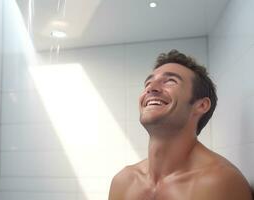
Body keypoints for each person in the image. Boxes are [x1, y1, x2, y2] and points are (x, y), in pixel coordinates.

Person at [108, 49, 252, 200]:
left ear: (201, 105)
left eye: (170, 81)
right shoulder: (123, 181)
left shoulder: (220, 182)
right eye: (148, 83)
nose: (151, 88)